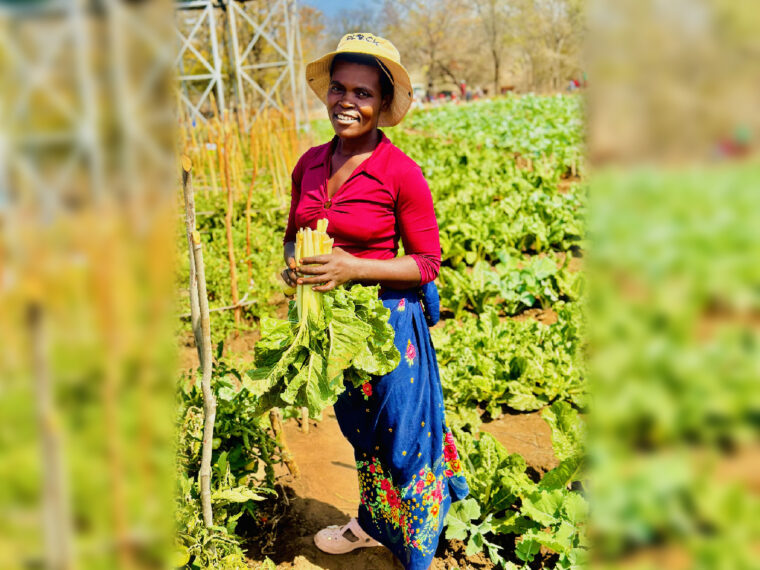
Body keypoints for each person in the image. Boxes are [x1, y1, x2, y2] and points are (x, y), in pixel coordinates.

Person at [280, 32, 469, 570]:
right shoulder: (309, 164)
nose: (347, 101)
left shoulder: (400, 173)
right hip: (335, 327)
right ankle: (370, 522)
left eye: (363, 93)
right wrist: (293, 264)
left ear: (383, 104)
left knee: (404, 442)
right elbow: (292, 233)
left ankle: (417, 555)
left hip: (389, 327)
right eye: (339, 88)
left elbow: (427, 263)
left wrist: (353, 267)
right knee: (362, 435)